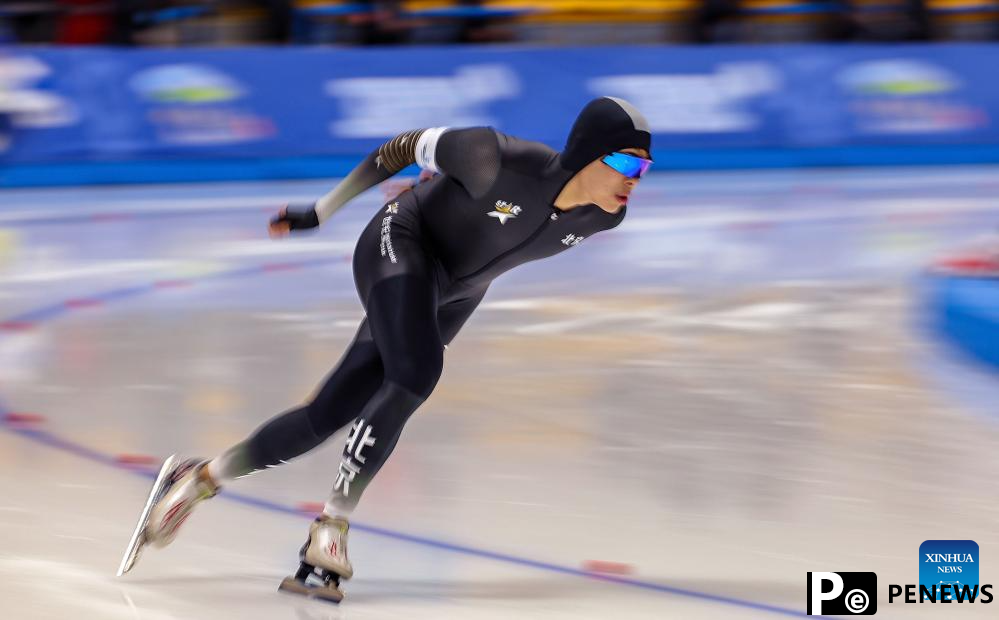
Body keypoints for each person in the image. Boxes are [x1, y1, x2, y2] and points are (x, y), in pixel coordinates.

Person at [118, 96, 653, 602]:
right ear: (588, 154)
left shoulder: (605, 216)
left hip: (454, 292)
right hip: (402, 241)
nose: (635, 182)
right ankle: (330, 526)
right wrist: (322, 212)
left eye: (644, 170)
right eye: (628, 165)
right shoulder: (495, 157)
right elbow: (398, 148)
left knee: (325, 415)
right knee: (417, 371)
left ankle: (200, 477)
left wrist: (448, 198)